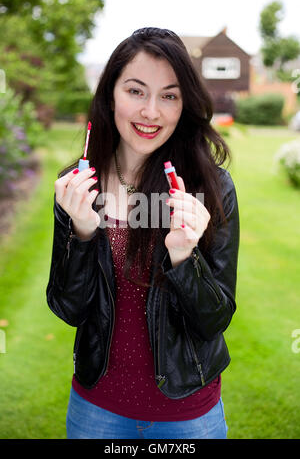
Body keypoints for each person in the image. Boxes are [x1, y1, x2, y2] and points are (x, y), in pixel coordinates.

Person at [46, 27, 240, 439]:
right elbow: (68, 308)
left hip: (189, 415)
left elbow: (215, 319)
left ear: (183, 105)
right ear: (110, 94)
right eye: (136, 91)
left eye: (168, 95)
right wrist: (81, 232)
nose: (151, 111)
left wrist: (185, 259)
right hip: (96, 410)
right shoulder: (77, 187)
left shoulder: (212, 187)